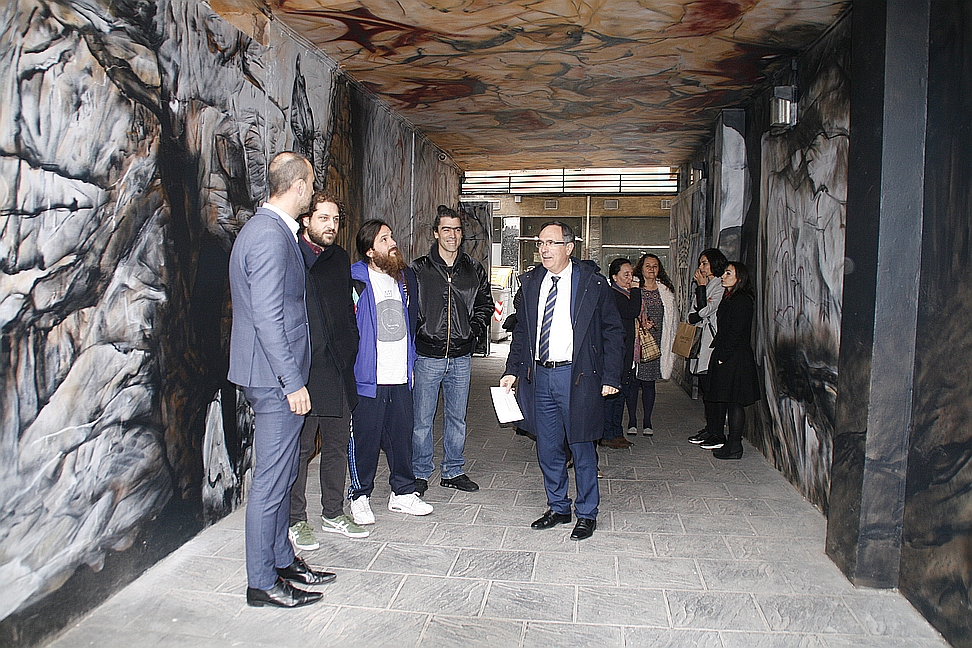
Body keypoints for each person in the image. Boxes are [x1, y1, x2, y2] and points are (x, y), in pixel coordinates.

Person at [228, 152, 333, 609]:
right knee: (271, 484)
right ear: (297, 186)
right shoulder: (270, 237)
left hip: (272, 376)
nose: (312, 190)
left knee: (285, 472)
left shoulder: (269, 231)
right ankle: (261, 582)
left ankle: (282, 561)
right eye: (310, 183)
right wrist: (293, 382)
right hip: (274, 381)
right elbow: (270, 317)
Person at [499, 221, 624, 541]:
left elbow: (613, 331)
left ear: (569, 248)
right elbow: (523, 333)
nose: (543, 249)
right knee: (549, 447)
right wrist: (512, 370)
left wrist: (610, 375)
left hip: (578, 375)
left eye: (551, 243)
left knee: (582, 446)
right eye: (540, 243)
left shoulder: (592, 284)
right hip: (541, 376)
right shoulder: (530, 283)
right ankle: (558, 506)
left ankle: (587, 512)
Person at [287, 191, 369, 552]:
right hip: (306, 370)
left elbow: (343, 312)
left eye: (336, 220)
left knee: (336, 444)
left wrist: (350, 348)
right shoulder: (292, 255)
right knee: (302, 449)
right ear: (306, 220)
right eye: (323, 218)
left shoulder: (339, 258)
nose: (331, 226)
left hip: (337, 368)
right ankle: (295, 520)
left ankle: (333, 512)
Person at [348, 220, 434, 525]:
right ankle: (360, 496)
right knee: (366, 439)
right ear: (371, 251)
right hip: (369, 378)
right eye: (384, 239)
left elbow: (413, 321)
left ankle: (402, 493)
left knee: (402, 437)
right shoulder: (355, 280)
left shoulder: (405, 278)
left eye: (391, 236)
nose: (392, 242)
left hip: (400, 375)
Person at [410, 205, 492, 495]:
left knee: (457, 417)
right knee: (422, 419)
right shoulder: (418, 270)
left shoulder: (473, 269)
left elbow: (485, 304)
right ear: (435, 233)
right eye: (446, 229)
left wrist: (471, 332)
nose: (453, 235)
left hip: (460, 357)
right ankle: (419, 472)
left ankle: (453, 470)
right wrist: (421, 331)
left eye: (457, 230)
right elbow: (408, 309)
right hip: (427, 356)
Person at [704, 261, 761, 459]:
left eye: (729, 273)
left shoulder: (742, 300)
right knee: (730, 401)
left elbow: (736, 332)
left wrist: (723, 357)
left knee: (735, 402)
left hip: (735, 358)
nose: (723, 276)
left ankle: (735, 445)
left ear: (740, 278)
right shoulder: (730, 298)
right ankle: (732, 443)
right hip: (728, 355)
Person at [626, 254, 677, 437]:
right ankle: (632, 420)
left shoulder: (665, 291)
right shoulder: (633, 287)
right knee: (632, 382)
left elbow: (671, 320)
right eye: (648, 266)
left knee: (649, 383)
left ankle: (647, 421)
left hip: (655, 343)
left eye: (655, 266)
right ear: (641, 267)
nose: (651, 269)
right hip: (635, 342)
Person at [685, 248, 729, 447]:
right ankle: (710, 428)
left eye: (704, 263)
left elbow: (703, 310)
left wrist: (702, 287)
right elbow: (692, 315)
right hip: (701, 342)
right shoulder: (705, 285)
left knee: (713, 389)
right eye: (700, 263)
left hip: (712, 344)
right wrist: (701, 291)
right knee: (706, 389)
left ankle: (717, 432)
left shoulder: (719, 285)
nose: (701, 267)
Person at [600, 258, 640, 449]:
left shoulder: (625, 294)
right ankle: (608, 432)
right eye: (626, 275)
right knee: (614, 393)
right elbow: (633, 311)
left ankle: (616, 431)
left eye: (632, 274)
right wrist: (638, 289)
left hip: (627, 351)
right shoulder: (615, 296)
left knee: (622, 392)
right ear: (614, 277)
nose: (630, 278)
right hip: (617, 352)